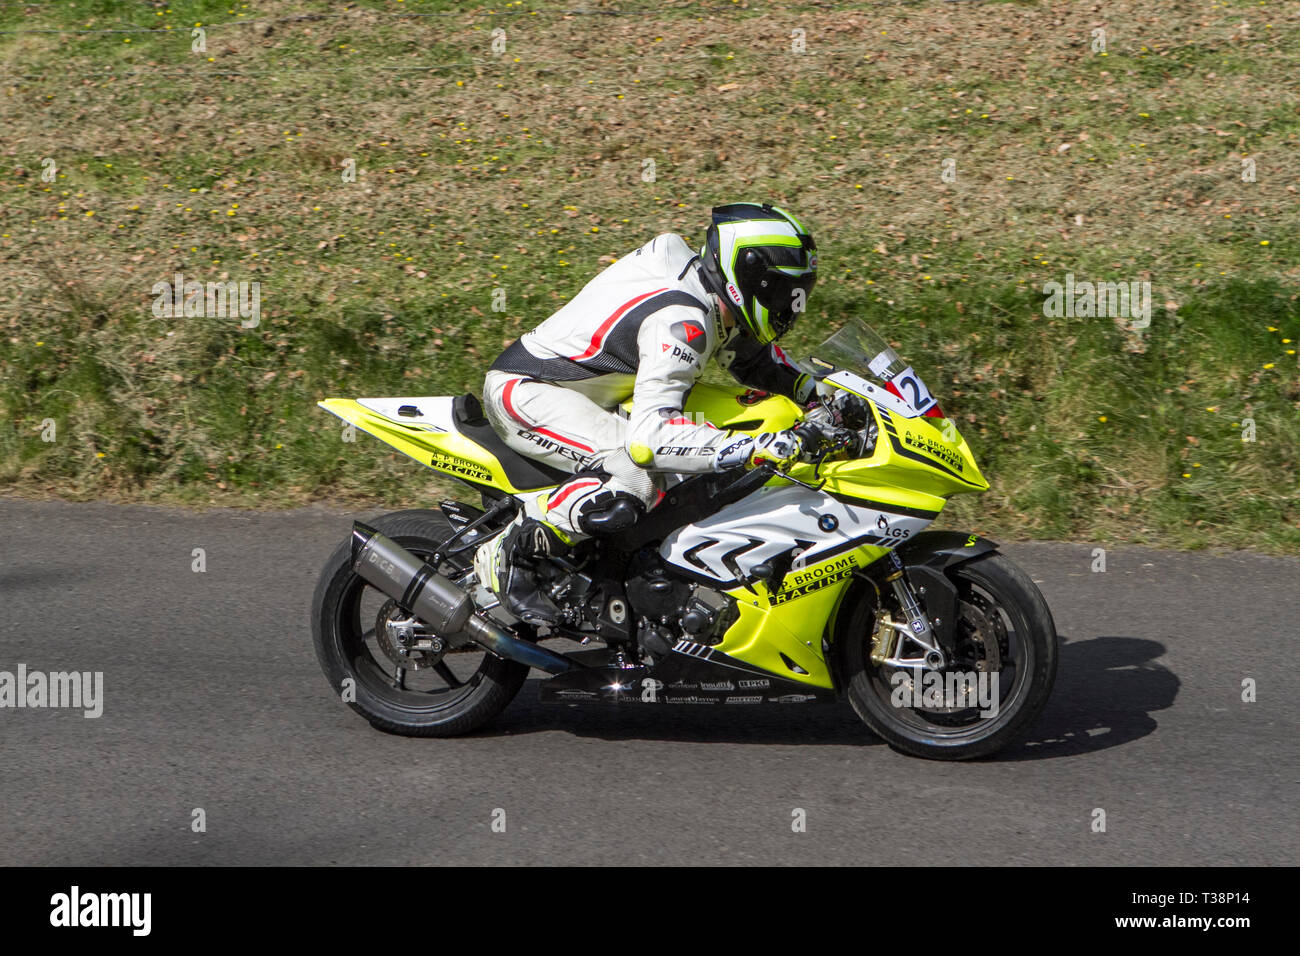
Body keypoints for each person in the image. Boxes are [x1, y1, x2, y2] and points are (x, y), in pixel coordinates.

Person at [475, 202, 829, 623]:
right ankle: (511, 551)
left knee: (690, 464)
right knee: (638, 476)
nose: (792, 305)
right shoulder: (682, 321)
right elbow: (650, 440)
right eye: (782, 291)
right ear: (750, 276)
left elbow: (751, 361)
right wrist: (752, 447)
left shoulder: (711, 291)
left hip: (587, 395)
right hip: (530, 393)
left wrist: (820, 392)